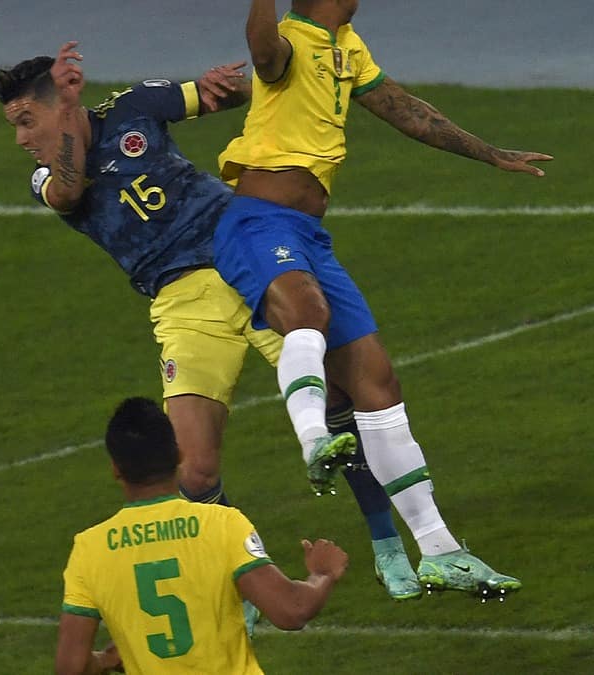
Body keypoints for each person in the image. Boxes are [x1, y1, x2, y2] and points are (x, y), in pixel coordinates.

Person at [0, 42, 419, 601]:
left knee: (340, 394)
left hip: (243, 259)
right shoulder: (49, 177)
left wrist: (235, 86)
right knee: (192, 471)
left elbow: (232, 95)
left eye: (26, 121)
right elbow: (70, 192)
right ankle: (248, 582)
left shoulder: (134, 107)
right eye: (15, 127)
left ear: (55, 106)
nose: (21, 138)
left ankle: (388, 545)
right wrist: (67, 114)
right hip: (181, 304)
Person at [213, 0, 552, 598]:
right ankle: (315, 438)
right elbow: (263, 53)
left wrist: (490, 152)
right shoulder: (292, 40)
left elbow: (411, 114)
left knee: (378, 383)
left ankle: (442, 552)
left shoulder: (348, 44)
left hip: (309, 236)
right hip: (259, 223)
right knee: (308, 313)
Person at [56, 397, 348, 675]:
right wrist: (322, 574)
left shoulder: (90, 548)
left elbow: (71, 666)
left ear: (116, 469)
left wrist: (106, 660)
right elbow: (292, 609)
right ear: (179, 454)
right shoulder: (221, 524)